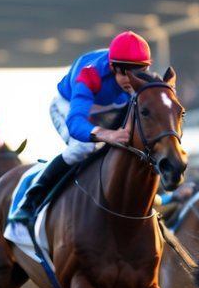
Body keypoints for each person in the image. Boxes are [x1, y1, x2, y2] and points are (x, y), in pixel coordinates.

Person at [8, 31, 150, 224]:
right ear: (112, 67)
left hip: (107, 113)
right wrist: (106, 134)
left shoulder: (144, 80)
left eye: (137, 72)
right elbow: (76, 123)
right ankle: (32, 198)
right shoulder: (90, 74)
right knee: (83, 147)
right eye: (125, 72)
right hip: (68, 107)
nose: (130, 79)